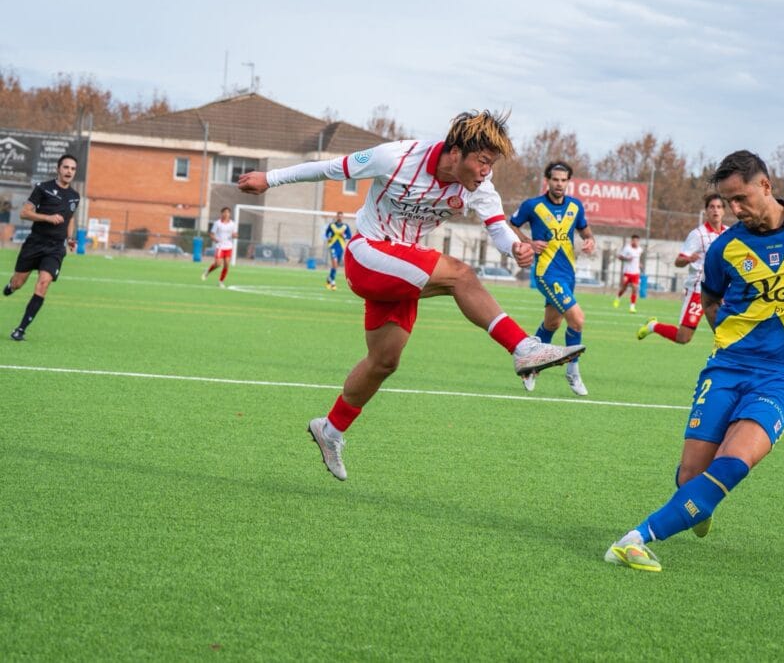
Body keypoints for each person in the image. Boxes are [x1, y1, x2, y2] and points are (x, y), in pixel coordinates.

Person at [238, 110, 584, 481]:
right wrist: (268, 179)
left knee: (384, 361)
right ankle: (522, 348)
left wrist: (515, 247)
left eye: (491, 163)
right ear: (456, 152)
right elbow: (329, 168)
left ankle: (331, 429)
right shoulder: (397, 157)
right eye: (483, 161)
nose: (487, 171)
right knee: (460, 275)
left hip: (403, 270)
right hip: (368, 255)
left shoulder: (480, 187)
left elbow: (498, 228)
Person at [605, 150, 784, 572]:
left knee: (735, 461)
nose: (734, 210)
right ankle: (695, 504)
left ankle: (635, 538)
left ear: (766, 185)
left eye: (740, 199)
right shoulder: (725, 248)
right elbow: (709, 299)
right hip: (727, 368)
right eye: (728, 202)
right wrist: (729, 337)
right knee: (690, 479)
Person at [509, 161, 596, 396]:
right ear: (547, 181)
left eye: (563, 180)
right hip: (546, 273)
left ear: (569, 182)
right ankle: (573, 371)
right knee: (577, 319)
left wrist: (589, 241)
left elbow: (585, 231)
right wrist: (528, 242)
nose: (559, 184)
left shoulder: (575, 206)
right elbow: (511, 224)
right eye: (555, 179)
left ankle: (530, 366)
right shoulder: (533, 205)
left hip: (568, 273)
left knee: (552, 324)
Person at [3, 154, 80, 341]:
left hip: (55, 249)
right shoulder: (43, 188)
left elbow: (70, 218)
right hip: (35, 243)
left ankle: (21, 329)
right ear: (58, 169)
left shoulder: (74, 196)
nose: (69, 171)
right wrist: (47, 217)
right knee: (18, 283)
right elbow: (24, 213)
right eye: (66, 167)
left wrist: (70, 238)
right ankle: (11, 286)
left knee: (43, 283)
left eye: (72, 169)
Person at [638, 193, 727, 344]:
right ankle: (653, 326)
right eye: (712, 207)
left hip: (722, 291)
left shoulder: (729, 234)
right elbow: (678, 261)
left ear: (724, 211)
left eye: (719, 207)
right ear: (706, 211)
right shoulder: (697, 235)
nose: (715, 210)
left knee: (727, 332)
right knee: (683, 337)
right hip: (698, 291)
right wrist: (688, 259)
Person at [202, 207, 237, 288]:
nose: (226, 214)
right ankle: (207, 271)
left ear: (230, 214)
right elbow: (211, 234)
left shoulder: (232, 224)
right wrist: (215, 239)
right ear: (222, 213)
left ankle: (221, 282)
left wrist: (235, 235)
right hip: (220, 247)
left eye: (228, 212)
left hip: (229, 247)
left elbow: (235, 234)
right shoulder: (217, 223)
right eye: (224, 212)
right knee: (218, 264)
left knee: (226, 265)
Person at [613, 234, 643, 313]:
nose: (635, 242)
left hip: (636, 273)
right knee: (624, 288)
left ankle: (632, 307)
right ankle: (617, 298)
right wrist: (626, 258)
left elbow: (637, 259)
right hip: (627, 272)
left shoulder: (640, 249)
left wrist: (639, 264)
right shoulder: (627, 248)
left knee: (635, 289)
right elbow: (620, 257)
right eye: (634, 240)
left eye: (637, 241)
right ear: (631, 241)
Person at [324, 211, 352, 290]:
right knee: (335, 263)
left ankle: (329, 278)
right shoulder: (332, 225)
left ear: (342, 217)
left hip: (341, 247)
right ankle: (333, 282)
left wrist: (344, 235)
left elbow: (349, 236)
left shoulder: (345, 226)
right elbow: (326, 234)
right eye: (338, 216)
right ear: (336, 217)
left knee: (335, 265)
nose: (339, 217)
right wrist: (328, 237)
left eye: (341, 216)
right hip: (332, 246)